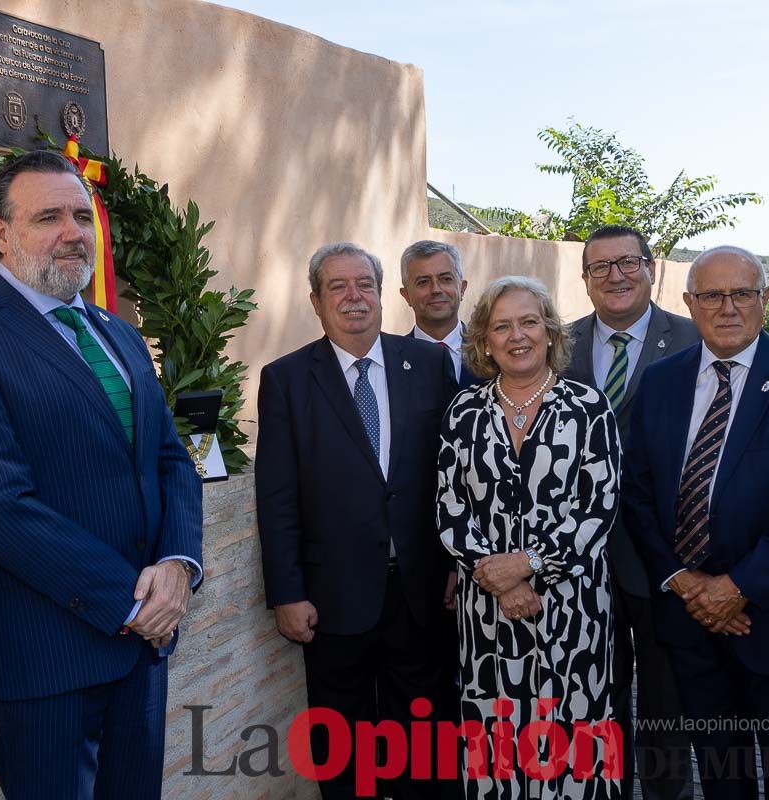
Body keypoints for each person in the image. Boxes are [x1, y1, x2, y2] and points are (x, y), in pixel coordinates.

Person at [0, 150, 203, 800]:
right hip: (48, 664)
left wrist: (179, 567)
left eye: (81, 215)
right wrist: (132, 602)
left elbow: (169, 460)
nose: (73, 231)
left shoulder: (119, 334)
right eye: (48, 217)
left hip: (142, 651)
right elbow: (1, 505)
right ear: (2, 234)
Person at [623, 246, 769, 800]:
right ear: (688, 303)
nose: (727, 307)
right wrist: (682, 581)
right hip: (690, 619)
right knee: (721, 774)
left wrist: (738, 587)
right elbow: (637, 493)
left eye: (742, 293)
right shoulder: (659, 382)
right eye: (711, 295)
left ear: (765, 300)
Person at [256, 242, 458, 799]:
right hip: (333, 596)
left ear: (382, 296)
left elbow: (454, 477)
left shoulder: (430, 365)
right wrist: (286, 593)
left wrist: (457, 562)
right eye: (337, 287)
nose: (353, 297)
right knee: (343, 743)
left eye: (364, 284)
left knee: (421, 736)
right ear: (316, 302)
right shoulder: (287, 379)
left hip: (421, 591)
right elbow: (276, 496)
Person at [438, 275, 622, 800]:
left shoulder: (588, 407)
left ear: (549, 332)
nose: (516, 335)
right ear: (484, 339)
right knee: (496, 742)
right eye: (502, 326)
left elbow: (598, 509)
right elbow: (449, 507)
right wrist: (499, 578)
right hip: (487, 614)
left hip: (572, 610)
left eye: (528, 322)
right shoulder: (463, 412)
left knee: (575, 741)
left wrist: (529, 564)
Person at [564, 225, 697, 800]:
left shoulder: (697, 340)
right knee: (595, 694)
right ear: (586, 278)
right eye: (600, 267)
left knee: (668, 699)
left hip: (668, 556)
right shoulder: (554, 344)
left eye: (628, 262)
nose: (615, 275)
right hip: (576, 561)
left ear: (652, 269)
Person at [399, 239, 478, 389]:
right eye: (423, 282)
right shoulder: (391, 361)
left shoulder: (490, 352)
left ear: (462, 289)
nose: (436, 289)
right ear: (406, 295)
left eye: (446, 279)